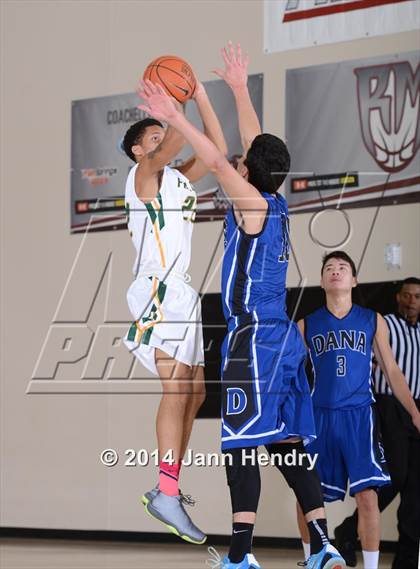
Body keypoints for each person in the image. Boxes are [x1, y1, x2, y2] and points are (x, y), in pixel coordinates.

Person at [138, 42, 345, 569]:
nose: (239, 160)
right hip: (280, 342)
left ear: (249, 172)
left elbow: (211, 157)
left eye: (244, 163)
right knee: (284, 443)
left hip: (253, 340)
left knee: (238, 445)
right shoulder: (273, 198)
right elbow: (251, 141)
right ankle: (323, 545)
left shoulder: (251, 202)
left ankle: (240, 555)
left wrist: (174, 115)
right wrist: (227, 88)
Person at [122, 77, 227, 545]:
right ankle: (165, 490)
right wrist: (177, 105)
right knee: (175, 387)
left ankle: (168, 489)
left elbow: (215, 150)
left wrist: (201, 97)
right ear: (137, 151)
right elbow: (177, 139)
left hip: (182, 293)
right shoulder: (143, 174)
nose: (163, 140)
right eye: (154, 137)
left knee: (197, 393)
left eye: (163, 134)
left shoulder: (177, 178)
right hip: (157, 291)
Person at [295, 253, 420, 569]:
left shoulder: (372, 320)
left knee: (368, 497)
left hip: (360, 417)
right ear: (322, 281)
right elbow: (291, 376)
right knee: (308, 497)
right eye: (329, 269)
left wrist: (416, 413)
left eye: (342, 268)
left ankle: (371, 566)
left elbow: (392, 371)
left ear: (354, 280)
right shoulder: (305, 324)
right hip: (319, 418)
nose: (335, 272)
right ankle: (311, 560)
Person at [334, 277, 420, 569]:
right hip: (388, 406)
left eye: (417, 296)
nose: (412, 301)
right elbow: (370, 360)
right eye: (407, 295)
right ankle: (347, 531)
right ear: (398, 297)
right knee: (394, 477)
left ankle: (407, 560)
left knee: (416, 488)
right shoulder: (386, 326)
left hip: (416, 409)